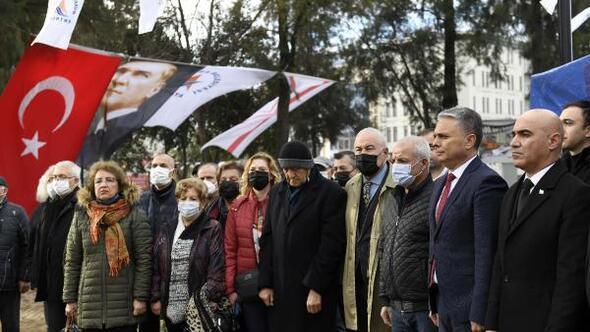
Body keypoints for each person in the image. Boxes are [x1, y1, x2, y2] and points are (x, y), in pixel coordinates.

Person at [484, 110, 590, 331]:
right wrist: (492, 322)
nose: (513, 142)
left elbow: (571, 276)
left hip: (544, 323)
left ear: (553, 141)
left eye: (524, 134)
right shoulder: (511, 192)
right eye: (513, 134)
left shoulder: (575, 194)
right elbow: (500, 262)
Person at [428, 107, 507, 332]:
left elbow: (487, 252)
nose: (434, 142)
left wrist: (481, 311)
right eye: (435, 136)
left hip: (470, 308)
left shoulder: (487, 183)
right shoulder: (441, 183)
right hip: (443, 303)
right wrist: (434, 300)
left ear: (469, 140)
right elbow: (437, 244)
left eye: (443, 136)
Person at [258, 141, 347, 332]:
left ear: (308, 167)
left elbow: (331, 246)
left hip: (312, 292)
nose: (291, 175)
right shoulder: (276, 193)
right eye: (286, 169)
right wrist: (265, 283)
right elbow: (267, 239)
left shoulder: (331, 193)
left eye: (297, 169)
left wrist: (316, 288)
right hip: (281, 292)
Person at [63, 161, 152, 331]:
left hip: (124, 308)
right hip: (89, 308)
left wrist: (140, 297)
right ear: (92, 187)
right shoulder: (82, 216)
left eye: (110, 180)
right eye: (98, 181)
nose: (104, 184)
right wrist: (70, 299)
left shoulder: (135, 214)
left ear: (119, 185)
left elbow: (144, 260)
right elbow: (72, 261)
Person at [151, 178, 225, 331]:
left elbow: (217, 270)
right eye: (183, 198)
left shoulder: (212, 227)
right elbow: (157, 266)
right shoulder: (168, 228)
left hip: (200, 308)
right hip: (170, 309)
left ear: (203, 202)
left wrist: (202, 298)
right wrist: (156, 297)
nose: (187, 202)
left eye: (193, 199)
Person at [378, 136, 436, 332]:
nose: (395, 166)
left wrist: (436, 303)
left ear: (424, 163)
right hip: (396, 309)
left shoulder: (435, 198)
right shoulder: (393, 198)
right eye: (393, 161)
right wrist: (385, 299)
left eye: (402, 161)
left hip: (426, 311)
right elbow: (384, 249)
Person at [342, 128, 394, 332]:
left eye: (369, 148)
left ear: (385, 153)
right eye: (358, 149)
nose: (363, 154)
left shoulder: (398, 186)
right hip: (355, 280)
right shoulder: (350, 186)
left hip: (384, 283)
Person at [79, 61, 178, 165]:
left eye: (140, 75)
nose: (120, 80)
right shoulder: (89, 122)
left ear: (155, 89)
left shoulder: (137, 132)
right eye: (121, 71)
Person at [225, 152, 281, 332]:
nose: (257, 173)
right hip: (249, 285)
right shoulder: (237, 206)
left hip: (279, 282)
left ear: (272, 173)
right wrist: (231, 289)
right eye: (253, 170)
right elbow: (230, 250)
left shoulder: (282, 202)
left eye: (262, 169)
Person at [32, 161, 81, 332]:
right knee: (53, 327)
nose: (55, 181)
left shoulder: (83, 206)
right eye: (53, 178)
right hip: (51, 285)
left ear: (75, 181)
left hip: (75, 287)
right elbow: (39, 244)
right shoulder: (47, 207)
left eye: (61, 177)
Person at [137, 153, 178, 332]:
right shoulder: (140, 200)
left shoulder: (182, 199)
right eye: (154, 166)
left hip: (175, 279)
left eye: (163, 165)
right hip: (145, 279)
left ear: (172, 171)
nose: (157, 169)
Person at [0, 176, 31, 332]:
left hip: (9, 284)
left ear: (4, 191)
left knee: (10, 326)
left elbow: (28, 245)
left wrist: (24, 277)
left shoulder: (17, 213)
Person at [560, 100, 590, 184]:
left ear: (588, 131)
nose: (560, 129)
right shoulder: (559, 165)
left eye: (568, 123)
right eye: (560, 123)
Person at [208, 161, 243, 228]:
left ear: (242, 182)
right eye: (223, 180)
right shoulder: (211, 211)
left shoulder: (251, 207)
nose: (227, 182)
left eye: (233, 179)